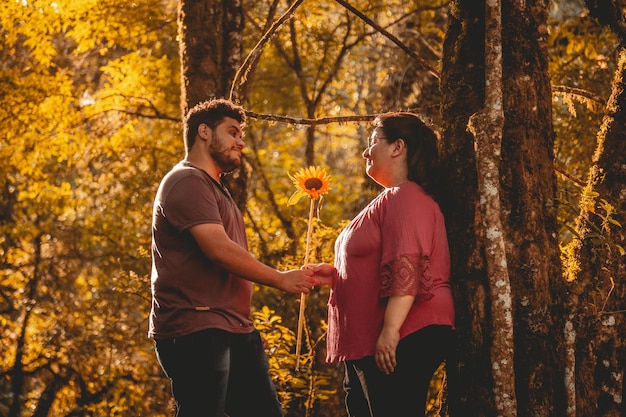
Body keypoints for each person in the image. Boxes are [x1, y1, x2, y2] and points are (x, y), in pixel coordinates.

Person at [148, 98, 318, 417]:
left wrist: (245, 325)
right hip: (196, 326)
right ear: (203, 132)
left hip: (232, 326)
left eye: (241, 134)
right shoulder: (186, 180)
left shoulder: (215, 189)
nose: (240, 141)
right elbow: (219, 250)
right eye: (232, 132)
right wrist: (281, 279)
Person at [309, 112, 456, 417]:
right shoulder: (392, 198)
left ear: (397, 147)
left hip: (402, 332)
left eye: (374, 141)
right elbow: (381, 260)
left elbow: (409, 264)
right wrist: (337, 275)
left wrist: (390, 331)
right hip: (370, 337)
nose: (366, 151)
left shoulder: (406, 196)